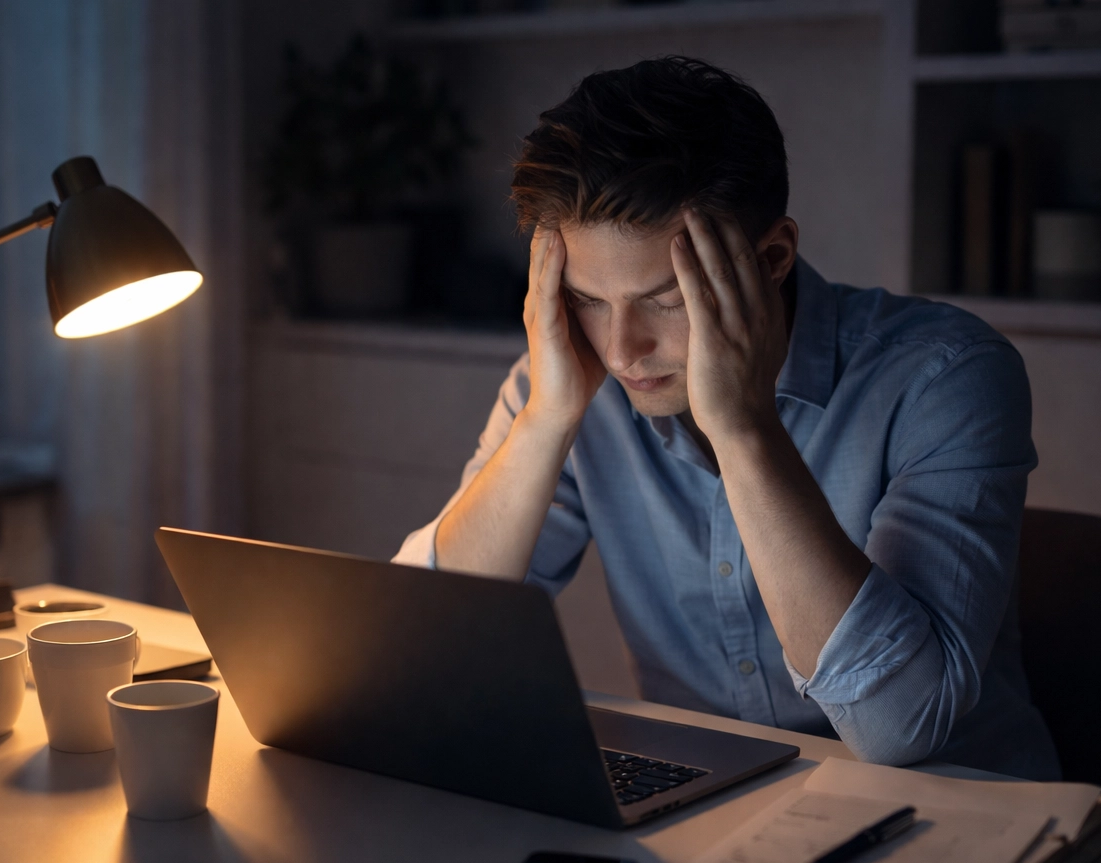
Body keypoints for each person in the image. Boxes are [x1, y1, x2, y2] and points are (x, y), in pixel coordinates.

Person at [395, 56, 1059, 779]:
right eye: (587, 299)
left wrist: (744, 429)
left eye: (666, 300)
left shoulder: (945, 375)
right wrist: (546, 420)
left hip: (953, 811)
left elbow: (900, 729)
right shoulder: (567, 380)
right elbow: (419, 658)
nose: (621, 350)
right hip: (710, 800)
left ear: (770, 258)